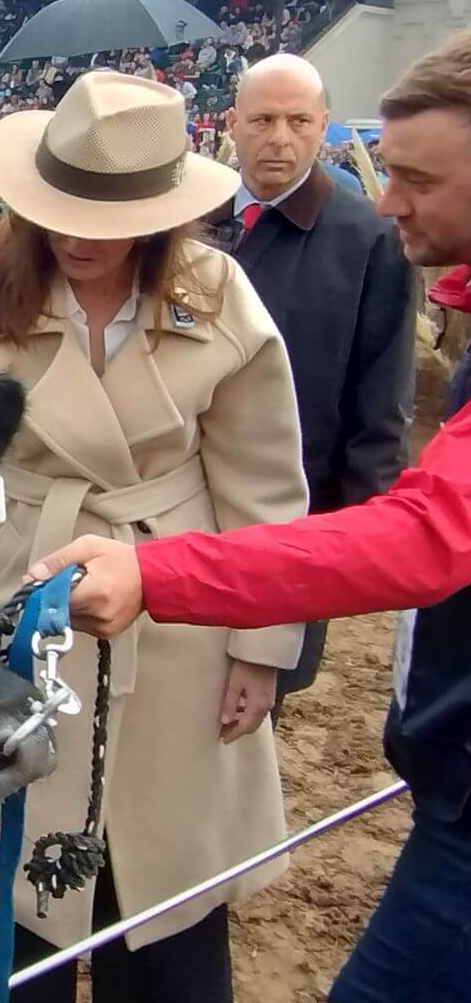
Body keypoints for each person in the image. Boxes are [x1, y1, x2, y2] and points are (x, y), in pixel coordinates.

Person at [0, 72, 308, 1003]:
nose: (76, 238)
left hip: (179, 609)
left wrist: (262, 649)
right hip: (15, 589)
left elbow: (264, 486)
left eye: (107, 218)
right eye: (60, 209)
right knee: (0, 893)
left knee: (166, 896)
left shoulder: (218, 296)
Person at [35, 32, 471, 1003]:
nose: (387, 196)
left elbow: (421, 520)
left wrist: (186, 591)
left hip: (234, 588)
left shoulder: (308, 257)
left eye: (415, 177)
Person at [209, 53, 415, 709]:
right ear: (231, 123)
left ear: (324, 126)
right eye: (263, 119)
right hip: (179, 498)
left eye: (299, 121)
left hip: (292, 513)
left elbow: (382, 393)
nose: (280, 138)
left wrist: (355, 532)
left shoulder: (369, 238)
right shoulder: (188, 220)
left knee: (251, 699)